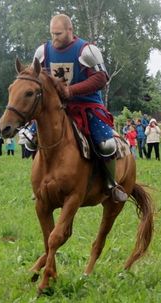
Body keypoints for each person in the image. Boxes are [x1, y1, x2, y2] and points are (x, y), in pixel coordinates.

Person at [33, 14, 127, 202]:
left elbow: (101, 78)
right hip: (57, 107)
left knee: (105, 143)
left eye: (58, 33)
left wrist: (71, 91)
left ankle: (110, 184)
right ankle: (41, 185)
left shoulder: (86, 50)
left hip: (87, 106)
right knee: (30, 139)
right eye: (52, 34)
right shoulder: (43, 52)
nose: (54, 38)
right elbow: (36, 77)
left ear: (70, 30)